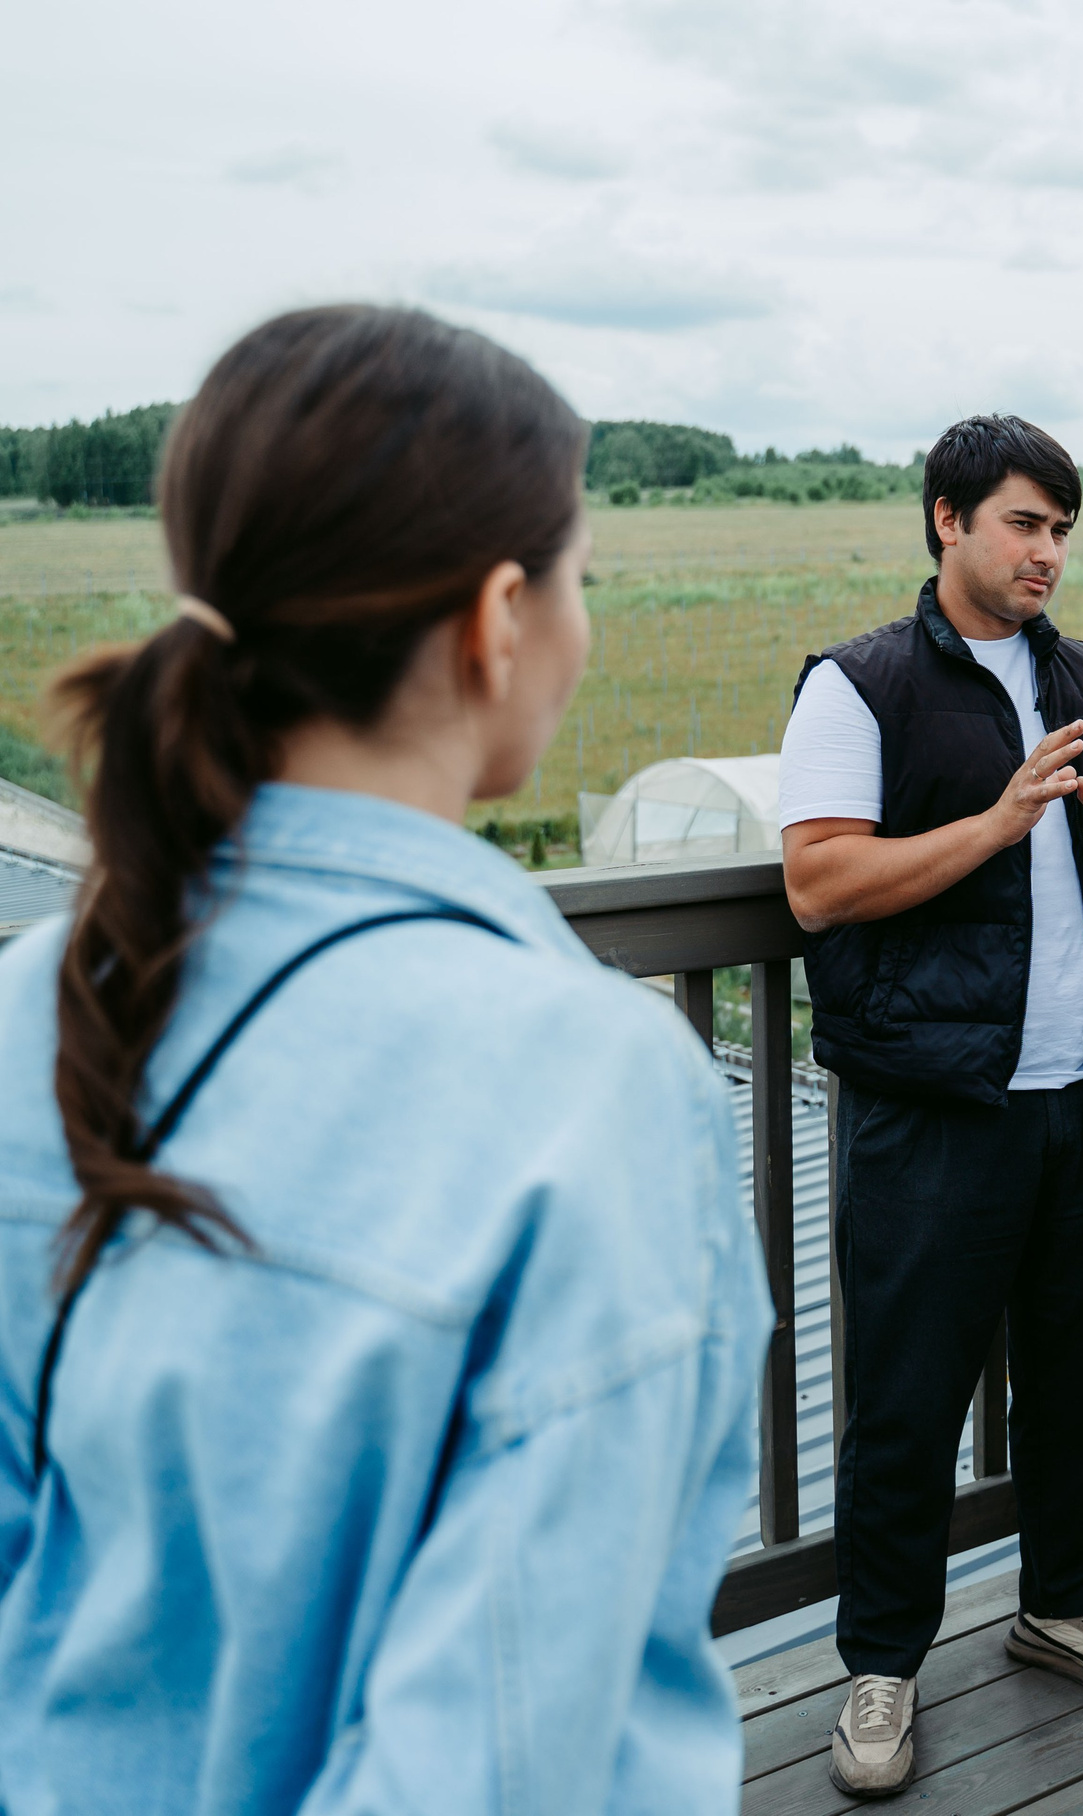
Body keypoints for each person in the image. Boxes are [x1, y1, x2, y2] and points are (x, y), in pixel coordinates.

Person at [0, 306, 772, 1814]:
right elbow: (498, 1753)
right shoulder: (592, 1092)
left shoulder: (39, 999)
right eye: (579, 579)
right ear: (498, 618)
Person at [779, 413, 1083, 1799]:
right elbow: (821, 884)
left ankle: (1060, 1605)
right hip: (933, 1106)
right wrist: (995, 824)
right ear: (947, 519)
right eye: (1026, 523)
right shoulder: (861, 688)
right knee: (906, 1397)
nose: (1050, 553)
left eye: (1064, 529)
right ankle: (882, 1668)